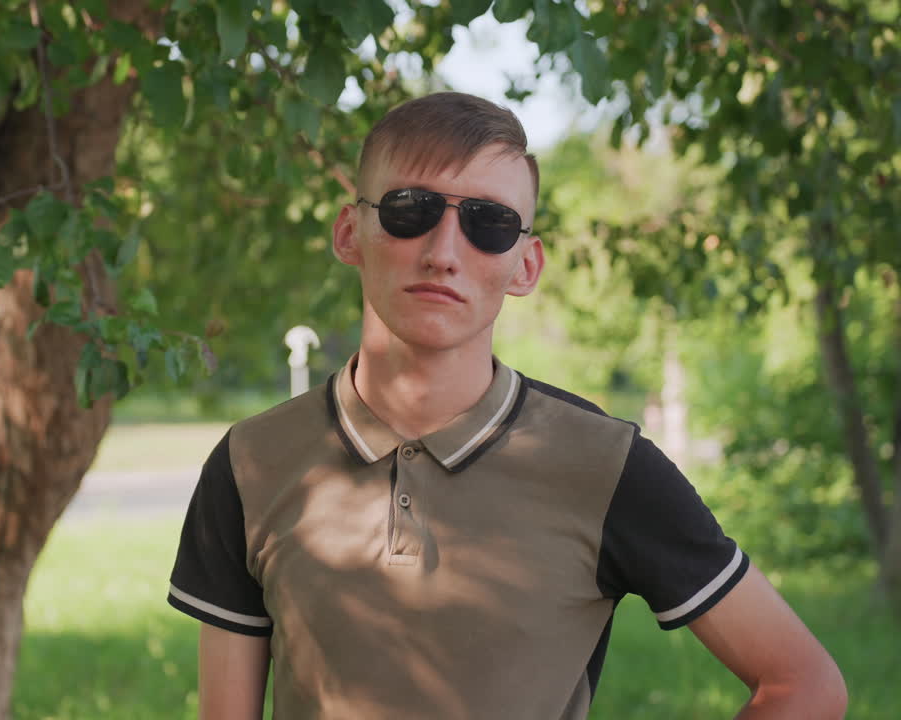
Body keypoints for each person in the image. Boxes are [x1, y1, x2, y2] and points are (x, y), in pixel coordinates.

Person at [167, 92, 846, 719]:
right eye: (409, 209)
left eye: (489, 223)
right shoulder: (250, 463)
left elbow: (805, 685)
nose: (443, 253)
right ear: (350, 233)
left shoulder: (605, 465)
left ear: (526, 265)